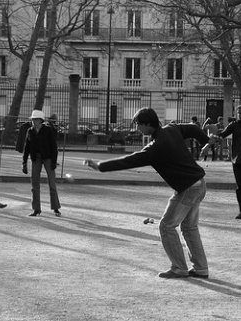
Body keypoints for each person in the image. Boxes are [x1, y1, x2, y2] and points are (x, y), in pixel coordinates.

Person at [85, 107, 210, 279]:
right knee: (189, 227)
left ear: (148, 124)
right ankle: (201, 268)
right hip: (199, 184)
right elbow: (194, 128)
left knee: (166, 226)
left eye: (138, 124)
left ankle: (179, 268)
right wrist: (207, 142)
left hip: (188, 188)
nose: (137, 128)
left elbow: (129, 161)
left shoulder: (155, 148)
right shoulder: (172, 129)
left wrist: (101, 166)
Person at [204, 105, 241, 220]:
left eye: (240, 113)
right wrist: (211, 139)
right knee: (239, 186)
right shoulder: (234, 125)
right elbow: (223, 135)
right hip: (236, 159)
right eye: (237, 113)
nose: (238, 115)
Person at [22, 110, 61, 217]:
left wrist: (54, 161)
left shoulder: (48, 130)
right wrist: (24, 162)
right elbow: (27, 147)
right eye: (33, 119)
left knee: (52, 183)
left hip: (48, 157)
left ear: (41, 120)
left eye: (35, 119)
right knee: (34, 184)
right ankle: (36, 209)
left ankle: (56, 208)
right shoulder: (30, 131)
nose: (33, 121)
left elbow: (54, 147)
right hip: (36, 158)